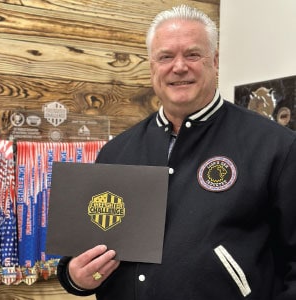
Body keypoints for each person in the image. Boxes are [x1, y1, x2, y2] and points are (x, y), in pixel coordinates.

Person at [57, 4, 296, 299]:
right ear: (152, 67)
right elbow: (85, 250)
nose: (179, 66)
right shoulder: (116, 152)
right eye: (166, 56)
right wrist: (75, 277)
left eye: (192, 54)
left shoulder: (277, 147)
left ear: (215, 61)